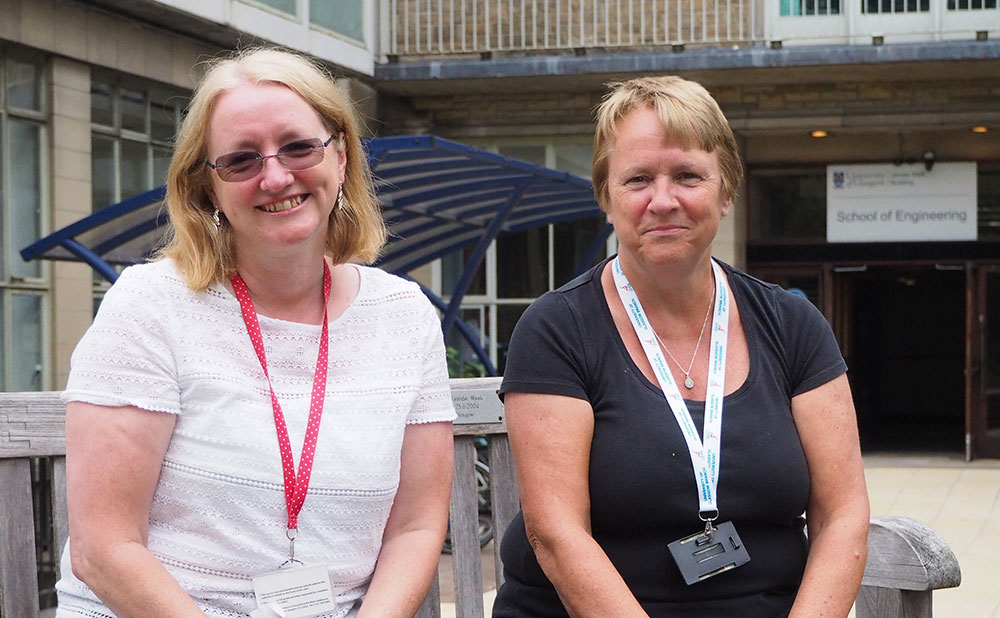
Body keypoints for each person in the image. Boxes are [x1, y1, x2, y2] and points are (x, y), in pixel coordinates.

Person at [55, 48, 456, 618]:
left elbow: (415, 528)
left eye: (298, 146)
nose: (275, 175)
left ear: (340, 157)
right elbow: (104, 549)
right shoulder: (150, 306)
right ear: (207, 187)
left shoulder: (404, 314)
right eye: (241, 161)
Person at [492, 76, 870, 618]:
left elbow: (843, 514)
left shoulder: (792, 325)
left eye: (688, 176)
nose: (662, 200)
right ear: (606, 196)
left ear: (726, 191)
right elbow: (557, 534)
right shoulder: (557, 330)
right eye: (638, 179)